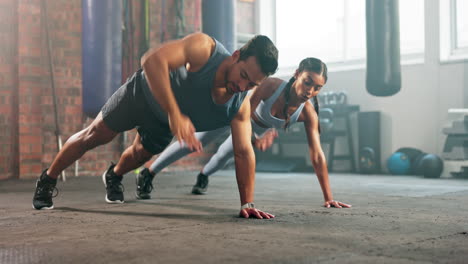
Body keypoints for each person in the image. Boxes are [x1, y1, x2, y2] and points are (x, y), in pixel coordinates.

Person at [32, 32, 279, 219]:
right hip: (141, 95)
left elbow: (243, 152)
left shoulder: (238, 106)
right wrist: (174, 113)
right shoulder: (205, 48)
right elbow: (151, 60)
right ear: (236, 56)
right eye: (243, 75)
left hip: (163, 123)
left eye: (251, 85)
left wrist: (247, 204)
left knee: (139, 155)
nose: (243, 86)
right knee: (96, 134)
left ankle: (114, 175)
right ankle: (48, 179)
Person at [136, 58, 351, 209]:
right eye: (307, 82)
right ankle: (149, 173)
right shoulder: (270, 86)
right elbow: (244, 113)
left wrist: (328, 197)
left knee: (223, 155)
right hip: (232, 112)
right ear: (297, 74)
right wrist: (256, 139)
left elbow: (317, 155)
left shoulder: (308, 113)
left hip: (252, 129)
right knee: (195, 141)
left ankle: (203, 176)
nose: (310, 91)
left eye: (317, 87)